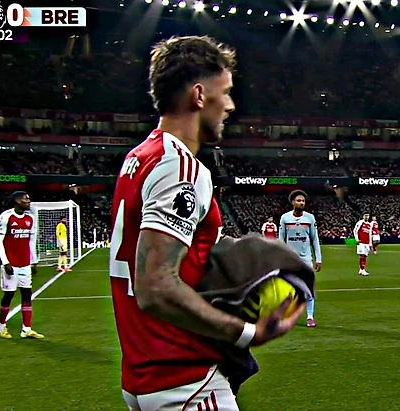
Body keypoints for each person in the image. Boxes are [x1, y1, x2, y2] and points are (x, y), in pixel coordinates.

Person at [109, 35, 304, 411]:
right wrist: (246, 332)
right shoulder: (180, 166)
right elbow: (156, 287)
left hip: (145, 373)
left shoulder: (140, 157)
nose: (230, 105)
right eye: (226, 92)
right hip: (183, 379)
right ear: (199, 95)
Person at [0, 191, 43, 339]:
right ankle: (2, 326)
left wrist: (33, 261)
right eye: (25, 199)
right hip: (11, 263)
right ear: (17, 201)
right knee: (9, 294)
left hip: (25, 263)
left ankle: (26, 329)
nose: (29, 201)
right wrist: (5, 262)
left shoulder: (30, 218)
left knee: (27, 294)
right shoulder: (6, 216)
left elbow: (31, 241)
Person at [279, 190, 322, 327]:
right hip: (290, 259)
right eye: (298, 200)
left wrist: (318, 259)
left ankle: (310, 316)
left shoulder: (310, 218)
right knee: (288, 289)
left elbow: (315, 239)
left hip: (306, 259)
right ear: (293, 202)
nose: (301, 203)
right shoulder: (285, 218)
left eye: (303, 201)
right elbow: (281, 240)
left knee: (309, 288)